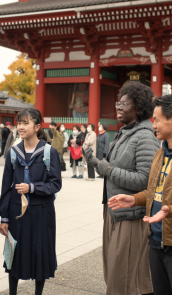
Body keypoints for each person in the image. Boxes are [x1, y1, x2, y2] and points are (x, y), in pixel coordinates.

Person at [83, 81, 160, 295]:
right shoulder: (122, 134)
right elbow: (111, 172)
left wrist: (106, 169)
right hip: (114, 212)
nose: (118, 107)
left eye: (124, 104)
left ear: (138, 108)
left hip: (132, 216)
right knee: (114, 273)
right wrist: (96, 163)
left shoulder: (144, 137)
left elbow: (145, 181)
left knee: (126, 278)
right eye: (118, 102)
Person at [108, 94, 172, 295]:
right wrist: (134, 199)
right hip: (155, 237)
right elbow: (154, 191)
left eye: (158, 120)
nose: (153, 125)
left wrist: (169, 210)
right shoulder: (161, 153)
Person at [0, 109, 62, 295]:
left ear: (37, 127)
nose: (21, 127)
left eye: (26, 123)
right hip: (17, 212)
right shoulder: (12, 153)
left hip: (42, 211)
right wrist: (4, 217)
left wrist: (32, 188)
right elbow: (5, 187)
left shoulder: (49, 152)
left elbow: (55, 184)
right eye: (19, 123)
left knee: (40, 252)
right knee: (15, 252)